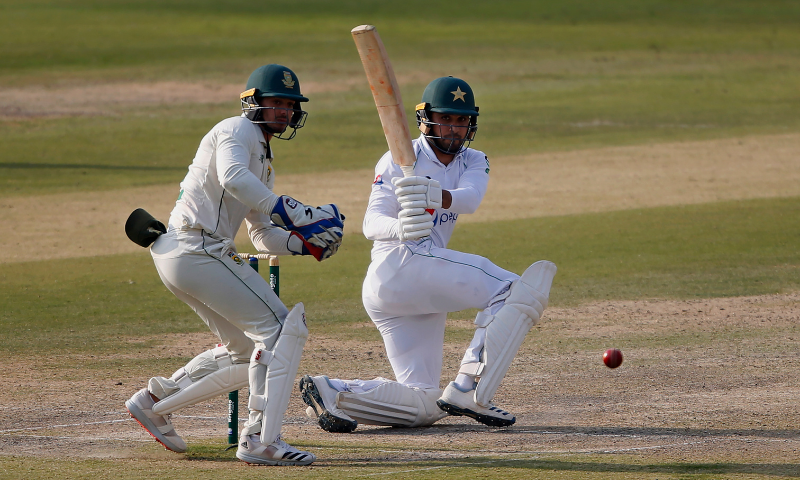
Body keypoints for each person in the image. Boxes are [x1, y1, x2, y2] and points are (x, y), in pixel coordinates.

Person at [298, 76, 556, 432]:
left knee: (424, 403)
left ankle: (335, 393)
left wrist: (436, 195)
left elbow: (471, 198)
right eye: (446, 119)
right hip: (398, 265)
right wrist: (401, 227)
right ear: (426, 120)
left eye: (461, 120)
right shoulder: (397, 159)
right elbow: (371, 222)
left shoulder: (475, 160)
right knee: (512, 289)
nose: (454, 128)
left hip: (420, 285)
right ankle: (468, 388)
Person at [124, 64, 345, 466]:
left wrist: (305, 245)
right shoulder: (237, 130)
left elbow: (260, 232)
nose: (283, 111)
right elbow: (231, 178)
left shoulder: (263, 158)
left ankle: (155, 399)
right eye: (275, 102)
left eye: (289, 105)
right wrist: (293, 209)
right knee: (280, 330)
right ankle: (260, 441)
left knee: (244, 350)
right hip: (196, 248)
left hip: (185, 253)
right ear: (254, 102)